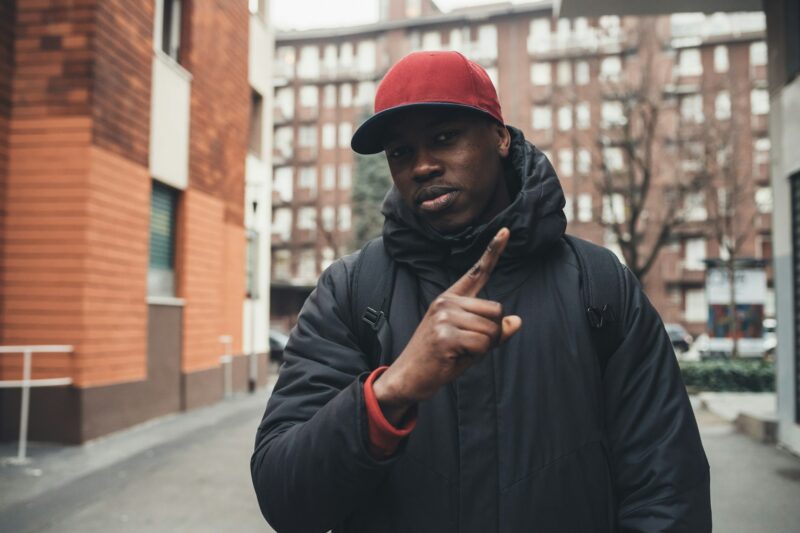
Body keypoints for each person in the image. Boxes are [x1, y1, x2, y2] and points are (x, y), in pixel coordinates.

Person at [251, 51, 711, 533]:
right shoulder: (352, 290)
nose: (422, 166)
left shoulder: (597, 284)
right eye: (400, 152)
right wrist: (389, 393)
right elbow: (286, 497)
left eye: (445, 138)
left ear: (499, 136)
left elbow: (667, 489)